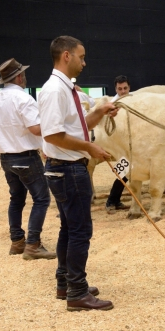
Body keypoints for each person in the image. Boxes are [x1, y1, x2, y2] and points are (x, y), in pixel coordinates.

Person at [38, 35, 118, 311]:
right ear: (66, 56)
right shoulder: (55, 91)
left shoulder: (66, 90)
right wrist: (90, 148)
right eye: (81, 57)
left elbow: (77, 126)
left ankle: (67, 282)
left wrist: (101, 111)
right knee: (80, 230)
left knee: (69, 229)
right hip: (68, 169)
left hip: (68, 167)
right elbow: (53, 135)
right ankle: (77, 292)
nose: (85, 62)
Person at [0, 58, 55, 260]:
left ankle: (17, 242)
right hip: (26, 156)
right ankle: (33, 244)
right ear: (19, 76)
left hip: (6, 157)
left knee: (16, 199)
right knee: (41, 199)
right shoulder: (24, 99)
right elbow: (35, 128)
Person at [104, 75, 131, 214]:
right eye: (120, 89)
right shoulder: (112, 104)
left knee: (126, 172)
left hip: (132, 143)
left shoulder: (133, 100)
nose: (123, 91)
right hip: (120, 144)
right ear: (116, 89)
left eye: (125, 88)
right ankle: (111, 201)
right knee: (124, 171)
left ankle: (115, 200)